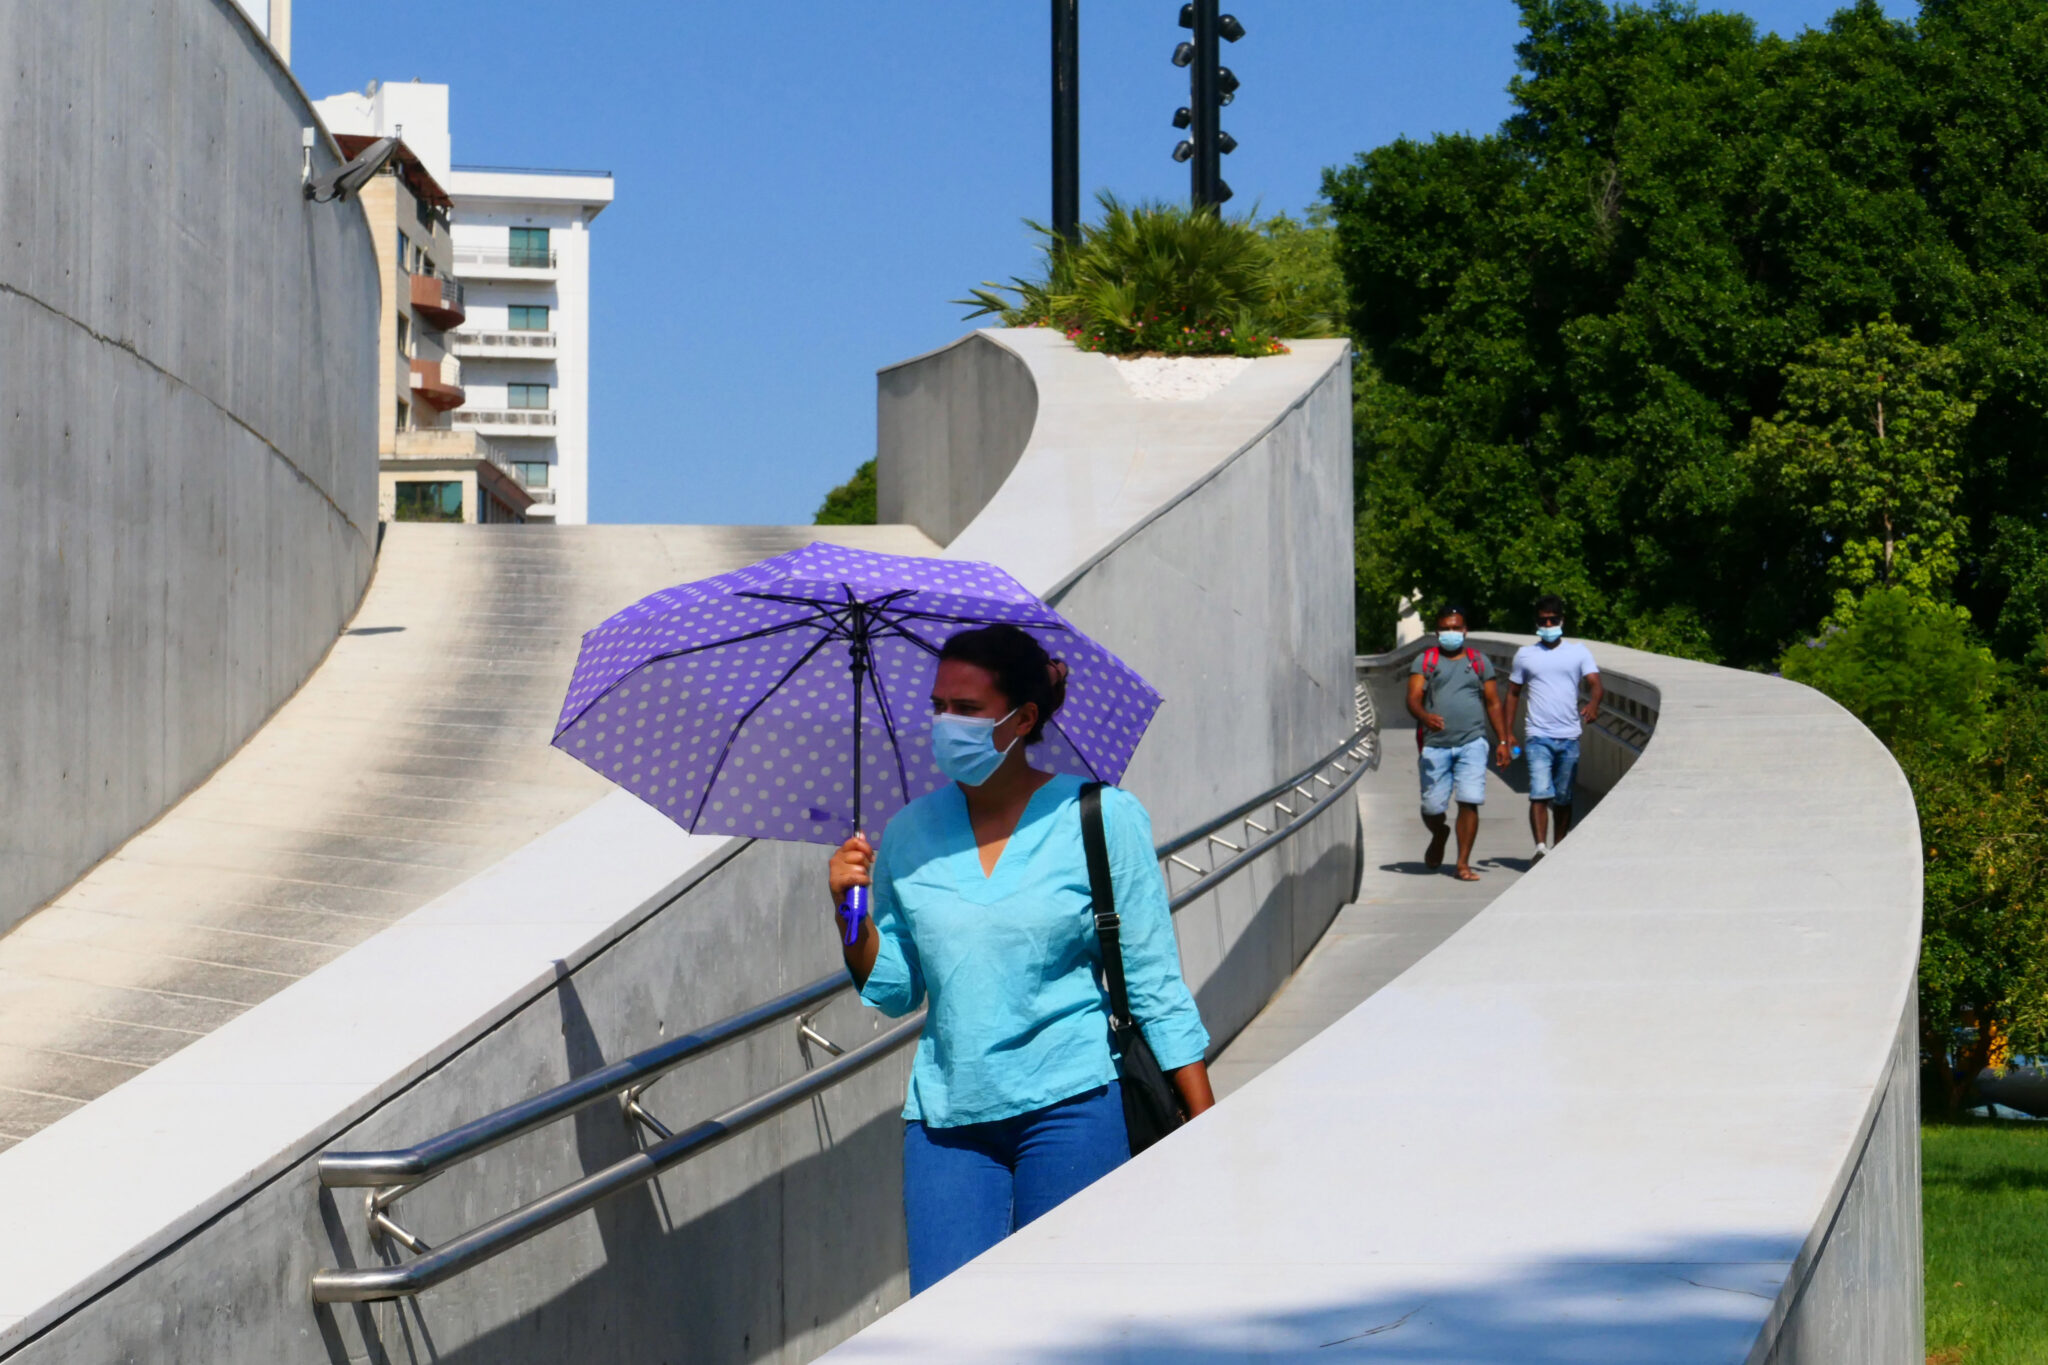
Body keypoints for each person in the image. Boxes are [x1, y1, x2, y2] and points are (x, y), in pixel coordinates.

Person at [826, 623, 1214, 1295]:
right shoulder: (908, 833)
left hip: (1074, 1104)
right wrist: (847, 910)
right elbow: (892, 989)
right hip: (947, 1123)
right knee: (947, 1326)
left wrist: (1208, 1128)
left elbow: (1155, 984)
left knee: (1068, 1320)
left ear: (1024, 718)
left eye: (967, 708)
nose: (945, 723)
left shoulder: (1101, 816)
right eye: (938, 706)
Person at [1406, 608, 1513, 880]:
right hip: (1435, 745)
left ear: (1465, 631)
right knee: (1432, 808)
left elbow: (1493, 702)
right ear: (1437, 632)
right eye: (1445, 629)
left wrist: (1503, 740)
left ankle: (1462, 864)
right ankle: (1439, 832)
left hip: (1472, 742)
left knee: (1469, 801)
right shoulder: (1426, 661)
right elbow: (1413, 698)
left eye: (1456, 628)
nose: (1451, 633)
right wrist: (1424, 716)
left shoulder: (1479, 661)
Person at [1505, 594, 1603, 858]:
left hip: (1569, 737)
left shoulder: (1578, 652)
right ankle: (1540, 847)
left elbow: (1595, 683)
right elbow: (1512, 693)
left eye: (1553, 620)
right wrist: (1507, 734)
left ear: (1562, 620)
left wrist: (1594, 704)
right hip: (1537, 736)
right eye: (1543, 621)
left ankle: (1559, 847)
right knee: (1539, 792)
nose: (1548, 625)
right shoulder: (1526, 655)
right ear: (1536, 622)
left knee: (1563, 796)